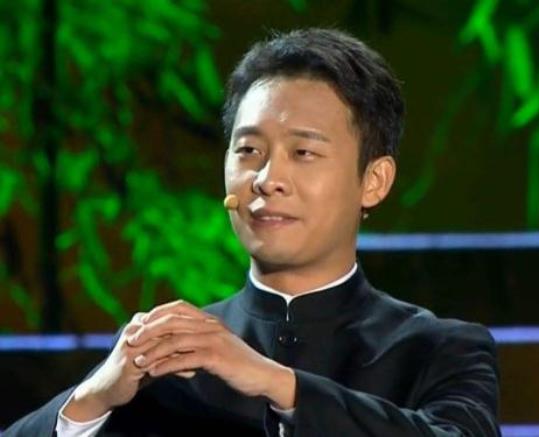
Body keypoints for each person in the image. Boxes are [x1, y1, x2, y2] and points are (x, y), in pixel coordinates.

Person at [6, 28, 500, 436]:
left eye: (303, 153)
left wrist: (277, 383)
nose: (267, 179)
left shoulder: (440, 350)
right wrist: (92, 401)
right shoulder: (168, 354)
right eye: (248, 151)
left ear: (374, 180)